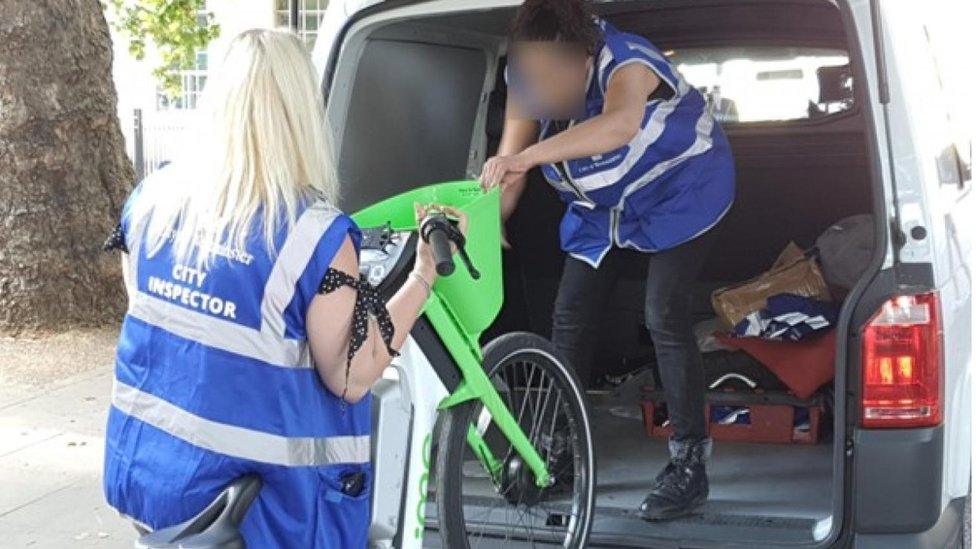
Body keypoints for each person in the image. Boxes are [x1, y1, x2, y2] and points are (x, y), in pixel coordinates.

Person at [101, 28, 463, 547]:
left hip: (152, 477)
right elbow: (352, 375)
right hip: (260, 509)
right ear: (300, 113)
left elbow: (156, 318)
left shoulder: (151, 202)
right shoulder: (311, 233)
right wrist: (424, 272)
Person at [480, 0, 735, 521]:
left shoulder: (627, 61)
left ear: (585, 59)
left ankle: (690, 464)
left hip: (681, 192)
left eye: (553, 78)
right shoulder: (528, 72)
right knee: (569, 316)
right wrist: (493, 222)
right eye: (529, 77)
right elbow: (511, 161)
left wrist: (527, 157)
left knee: (662, 312)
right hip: (604, 207)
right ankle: (559, 450)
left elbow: (618, 125)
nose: (539, 90)